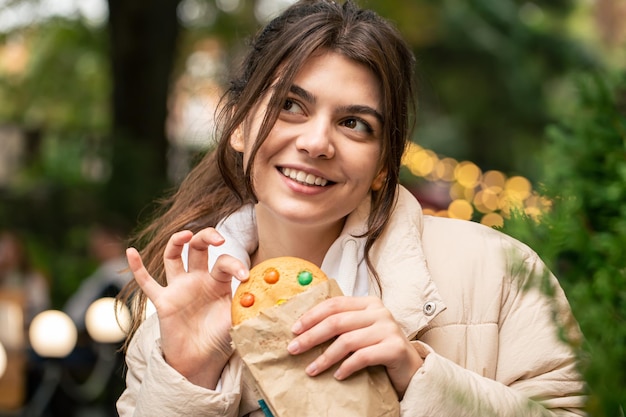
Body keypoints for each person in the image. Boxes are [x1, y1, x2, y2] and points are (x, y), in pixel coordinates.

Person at [116, 1, 587, 415]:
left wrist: (416, 374)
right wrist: (189, 375)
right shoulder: (174, 314)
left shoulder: (498, 271)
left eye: (354, 123)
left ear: (385, 163)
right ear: (238, 125)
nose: (317, 142)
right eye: (291, 106)